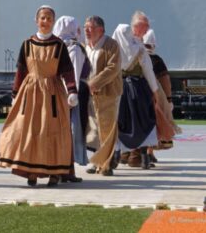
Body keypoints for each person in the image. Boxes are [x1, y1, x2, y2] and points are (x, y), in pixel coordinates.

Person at [0, 5, 78, 187]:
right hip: (31, 93)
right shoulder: (27, 44)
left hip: (52, 93)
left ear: (53, 22)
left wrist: (72, 90)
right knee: (28, 130)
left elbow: (67, 71)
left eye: (49, 18)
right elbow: (21, 71)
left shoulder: (59, 45)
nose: (45, 21)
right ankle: (31, 171)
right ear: (36, 20)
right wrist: (15, 93)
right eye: (43, 18)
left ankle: (54, 172)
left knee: (52, 131)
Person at [112, 24, 160, 170]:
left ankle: (116, 156)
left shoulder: (112, 50)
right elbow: (148, 71)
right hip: (139, 89)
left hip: (119, 89)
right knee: (143, 120)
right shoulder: (139, 48)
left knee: (119, 122)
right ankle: (144, 158)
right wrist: (155, 91)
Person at [83, 16, 123, 176]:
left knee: (106, 128)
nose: (87, 30)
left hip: (108, 93)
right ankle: (96, 160)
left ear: (101, 30)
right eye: (85, 27)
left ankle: (106, 164)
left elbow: (113, 68)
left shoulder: (111, 45)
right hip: (89, 93)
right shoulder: (84, 45)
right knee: (93, 129)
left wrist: (94, 83)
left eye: (90, 28)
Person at [53, 16, 90, 183]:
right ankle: (66, 171)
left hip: (56, 94)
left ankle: (64, 170)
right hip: (70, 96)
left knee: (62, 133)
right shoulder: (74, 48)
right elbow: (73, 74)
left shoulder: (55, 46)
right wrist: (71, 96)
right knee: (70, 133)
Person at [143, 29, 179, 157]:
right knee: (155, 124)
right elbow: (165, 81)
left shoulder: (135, 58)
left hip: (139, 97)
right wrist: (168, 100)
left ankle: (138, 153)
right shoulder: (156, 60)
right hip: (155, 98)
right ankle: (150, 152)